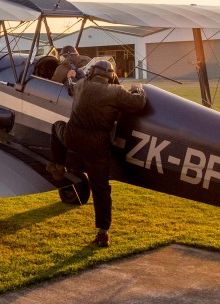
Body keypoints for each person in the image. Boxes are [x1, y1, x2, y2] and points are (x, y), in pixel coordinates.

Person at [49, 60, 147, 247]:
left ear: (92, 73)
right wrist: (138, 88)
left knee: (56, 127)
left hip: (72, 137)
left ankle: (59, 167)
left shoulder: (81, 85)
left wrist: (70, 77)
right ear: (111, 76)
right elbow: (138, 103)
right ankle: (103, 234)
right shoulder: (116, 92)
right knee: (101, 189)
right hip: (98, 147)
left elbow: (70, 88)